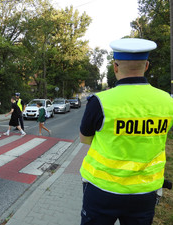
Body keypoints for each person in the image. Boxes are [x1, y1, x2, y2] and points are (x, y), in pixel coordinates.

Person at [79, 38, 173, 225]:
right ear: (146, 66)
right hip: (145, 191)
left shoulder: (99, 101)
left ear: (115, 66)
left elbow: (85, 139)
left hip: (102, 189)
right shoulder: (167, 101)